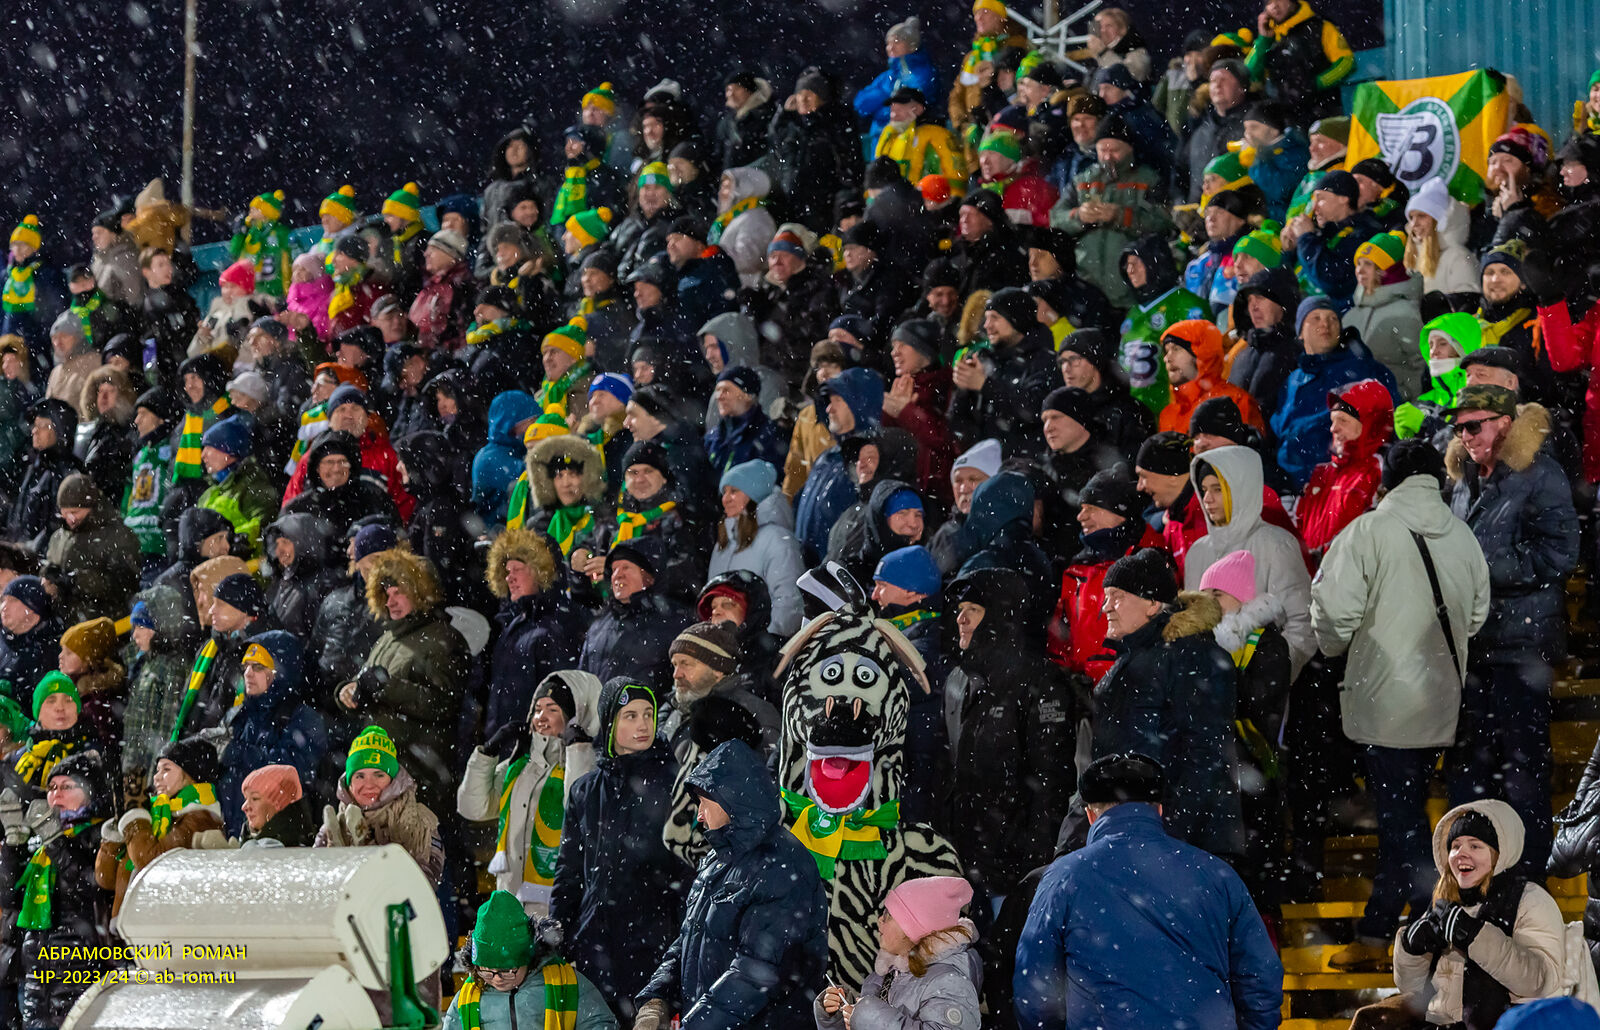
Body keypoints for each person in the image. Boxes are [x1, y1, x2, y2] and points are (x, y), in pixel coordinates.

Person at [1311, 439, 1491, 971]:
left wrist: (1341, 647)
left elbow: (1333, 614)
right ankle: (1415, 929)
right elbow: (1476, 615)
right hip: (1442, 700)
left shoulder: (1368, 531)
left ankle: (1398, 930)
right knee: (1409, 819)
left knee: (1401, 822)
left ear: (1388, 479)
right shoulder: (1462, 534)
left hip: (1384, 702)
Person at [1013, 752, 1283, 1030]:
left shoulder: (1064, 877)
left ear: (1091, 815)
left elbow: (1034, 990)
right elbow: (1261, 976)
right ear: (1159, 810)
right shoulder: (1218, 874)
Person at [1445, 384, 1578, 880]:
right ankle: (1476, 885)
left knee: (1523, 773)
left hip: (1521, 648)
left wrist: (1484, 569)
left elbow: (1561, 553)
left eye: (1473, 425)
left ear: (1504, 422)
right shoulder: (1463, 479)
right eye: (1459, 427)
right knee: (1471, 773)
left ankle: (1527, 882)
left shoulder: (1539, 473)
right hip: (1475, 648)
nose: (1465, 435)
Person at [635, 739, 828, 1030]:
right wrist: (656, 998)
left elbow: (754, 973)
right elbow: (691, 938)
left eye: (704, 803)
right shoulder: (720, 857)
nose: (699, 816)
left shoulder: (782, 866)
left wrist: (693, 1026)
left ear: (731, 799)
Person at [1367, 801, 1568, 1030]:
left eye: (1475, 846)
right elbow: (1411, 988)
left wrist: (1475, 936)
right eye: (1455, 846)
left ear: (1500, 853)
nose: (1461, 854)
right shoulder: (1445, 899)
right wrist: (1411, 950)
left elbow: (1540, 982)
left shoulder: (1530, 899)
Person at [551, 679, 685, 1021]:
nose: (643, 725)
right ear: (610, 724)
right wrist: (559, 934)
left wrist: (682, 940)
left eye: (648, 714)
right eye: (630, 716)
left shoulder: (675, 784)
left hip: (654, 946)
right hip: (595, 946)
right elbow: (569, 871)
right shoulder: (584, 791)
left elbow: (687, 871)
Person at [944, 567, 1073, 896]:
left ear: (1001, 616)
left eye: (973, 610)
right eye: (960, 609)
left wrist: (1037, 861)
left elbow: (1051, 779)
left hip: (1015, 865)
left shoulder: (1040, 680)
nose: (961, 619)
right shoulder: (957, 678)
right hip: (964, 860)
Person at [339, 548, 470, 811]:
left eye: (398, 592)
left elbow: (444, 703)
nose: (391, 601)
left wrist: (386, 688)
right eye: (386, 595)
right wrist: (348, 692)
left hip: (420, 772)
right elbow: (367, 680)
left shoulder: (442, 638)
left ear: (419, 591)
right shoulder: (387, 638)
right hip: (384, 769)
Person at [461, 669, 602, 910]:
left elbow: (580, 811)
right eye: (537, 709)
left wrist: (578, 752)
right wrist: (487, 753)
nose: (541, 717)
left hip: (555, 908)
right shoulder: (520, 767)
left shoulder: (592, 767)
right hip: (509, 903)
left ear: (574, 716)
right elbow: (472, 807)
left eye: (552, 709)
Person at [0, 750, 116, 1030]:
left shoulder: (102, 835)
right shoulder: (40, 840)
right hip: (36, 976)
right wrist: (14, 844)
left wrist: (55, 841)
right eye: (52, 788)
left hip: (82, 969)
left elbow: (91, 886)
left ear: (91, 793)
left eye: (67, 786)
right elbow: (8, 896)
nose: (56, 794)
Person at [815, 876, 981, 1030]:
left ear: (913, 929)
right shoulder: (882, 976)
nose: (880, 920)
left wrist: (869, 1018)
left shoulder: (950, 984)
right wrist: (839, 1017)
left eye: (888, 915)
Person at [1270, 297, 1400, 488]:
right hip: (1292, 487)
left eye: (1332, 318)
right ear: (1300, 332)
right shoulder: (1292, 381)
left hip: (1342, 485)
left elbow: (1386, 427)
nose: (1325, 324)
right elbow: (1279, 430)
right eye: (1315, 318)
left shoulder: (1366, 371)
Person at [442, 891, 618, 1030]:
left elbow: (599, 1023)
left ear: (526, 958)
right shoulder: (469, 996)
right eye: (486, 971)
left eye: (506, 971)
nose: (496, 978)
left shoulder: (565, 982)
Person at [95, 735, 226, 916]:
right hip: (135, 926)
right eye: (157, 770)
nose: (156, 777)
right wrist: (119, 827)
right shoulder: (157, 814)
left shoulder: (201, 818)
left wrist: (134, 817)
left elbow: (151, 864)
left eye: (166, 769)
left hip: (164, 926)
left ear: (191, 775)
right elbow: (106, 878)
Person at [217, 631, 327, 836]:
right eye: (245, 667)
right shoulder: (238, 715)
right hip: (235, 834)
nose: (248, 673)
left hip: (279, 838)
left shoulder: (304, 719)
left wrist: (242, 753)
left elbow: (293, 775)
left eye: (258, 667)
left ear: (282, 673)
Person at [481, 528, 584, 741]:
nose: (509, 578)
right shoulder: (513, 625)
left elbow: (563, 701)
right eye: (507, 571)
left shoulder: (561, 625)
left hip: (536, 749)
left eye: (517, 569)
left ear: (541, 570)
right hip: (507, 746)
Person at [1294, 377, 1394, 556]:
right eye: (1333, 421)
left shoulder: (1381, 473)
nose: (1333, 429)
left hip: (1349, 570)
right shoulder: (1322, 473)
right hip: (1311, 571)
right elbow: (1299, 528)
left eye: (1343, 421)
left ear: (1370, 424)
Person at [1245, 0, 1355, 121]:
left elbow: (1346, 62)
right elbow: (1249, 75)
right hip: (1283, 118)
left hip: (1323, 112)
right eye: (1269, 2)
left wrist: (1318, 83)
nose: (1275, 6)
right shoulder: (1268, 38)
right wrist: (1263, 40)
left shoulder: (1320, 27)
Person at [1158, 320, 1265, 435]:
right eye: (1166, 351)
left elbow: (1249, 445)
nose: (1167, 358)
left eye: (1176, 349)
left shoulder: (1235, 402)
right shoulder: (1168, 414)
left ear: (1201, 353)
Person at [239, 763, 316, 847]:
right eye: (246, 799)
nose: (244, 807)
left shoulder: (290, 848)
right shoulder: (250, 837)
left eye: (255, 798)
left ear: (278, 804)